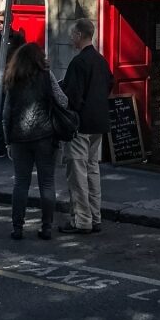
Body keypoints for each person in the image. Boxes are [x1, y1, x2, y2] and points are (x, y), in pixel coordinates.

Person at [3, 42, 68, 241]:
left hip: (19, 137)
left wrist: (7, 140)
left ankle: (17, 228)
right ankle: (46, 227)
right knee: (47, 183)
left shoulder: (12, 79)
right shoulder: (47, 76)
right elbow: (63, 101)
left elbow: (7, 113)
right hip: (45, 136)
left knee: (21, 183)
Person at [59, 18, 112, 235]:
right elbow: (110, 83)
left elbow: (72, 96)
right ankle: (95, 215)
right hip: (98, 122)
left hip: (80, 125)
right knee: (92, 170)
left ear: (80, 35)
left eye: (73, 34)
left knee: (78, 172)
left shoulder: (78, 63)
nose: (71, 37)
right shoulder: (101, 61)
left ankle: (82, 220)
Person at [0, 8, 25, 156]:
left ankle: (15, 146)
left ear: (9, 23)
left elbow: (24, 58)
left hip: (14, 82)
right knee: (0, 114)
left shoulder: (17, 38)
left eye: (1, 22)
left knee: (14, 113)